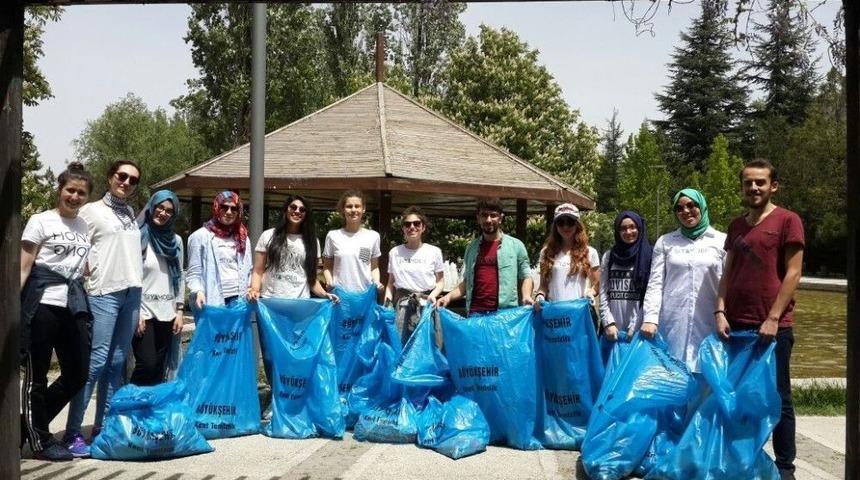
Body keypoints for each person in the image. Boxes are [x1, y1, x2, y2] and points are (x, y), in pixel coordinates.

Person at [715, 159, 804, 480]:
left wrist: (773, 317)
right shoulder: (737, 225)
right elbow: (727, 272)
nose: (754, 187)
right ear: (742, 187)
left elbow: (794, 272)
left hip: (773, 328)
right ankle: (743, 459)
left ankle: (784, 468)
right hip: (736, 327)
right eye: (748, 182)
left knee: (778, 398)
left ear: (773, 186)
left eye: (760, 182)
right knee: (739, 397)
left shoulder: (787, 221)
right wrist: (720, 310)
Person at [64, 160, 144, 457]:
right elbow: (76, 244)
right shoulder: (92, 210)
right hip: (103, 293)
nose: (126, 182)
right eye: (121, 176)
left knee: (117, 364)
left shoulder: (130, 215)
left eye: (132, 180)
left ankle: (103, 428)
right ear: (110, 177)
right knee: (95, 364)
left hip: (131, 293)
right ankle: (72, 433)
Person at [19, 163, 94, 461]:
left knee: (78, 373)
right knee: (36, 375)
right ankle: (40, 441)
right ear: (60, 190)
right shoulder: (40, 221)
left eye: (81, 193)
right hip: (42, 302)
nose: (75, 197)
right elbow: (24, 267)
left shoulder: (84, 226)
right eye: (70, 190)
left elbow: (81, 266)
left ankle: (28, 428)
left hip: (72, 304)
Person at [642, 188, 726, 373]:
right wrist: (650, 319)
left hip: (710, 322)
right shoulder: (665, 242)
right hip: (673, 323)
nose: (686, 211)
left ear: (702, 206)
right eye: (679, 208)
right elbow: (655, 284)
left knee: (707, 382)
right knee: (673, 378)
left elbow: (729, 285)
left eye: (691, 205)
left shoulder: (722, 241)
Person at [436, 198, 533, 314]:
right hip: (475, 315)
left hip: (504, 316)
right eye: (484, 215)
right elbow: (467, 283)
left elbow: (526, 276)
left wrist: (526, 296)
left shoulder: (516, 246)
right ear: (478, 218)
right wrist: (448, 297)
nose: (488, 220)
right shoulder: (471, 248)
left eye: (493, 215)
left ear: (501, 218)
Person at [130, 190, 184, 387]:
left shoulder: (175, 241)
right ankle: (128, 406)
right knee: (147, 364)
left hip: (168, 312)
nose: (163, 213)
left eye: (169, 210)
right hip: (144, 310)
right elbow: (131, 276)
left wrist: (179, 310)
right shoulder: (138, 236)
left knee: (160, 368)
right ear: (152, 207)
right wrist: (135, 312)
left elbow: (179, 276)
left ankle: (147, 412)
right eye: (160, 207)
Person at [247, 195, 337, 302]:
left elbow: (312, 279)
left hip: (300, 303)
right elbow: (258, 271)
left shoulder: (313, 241)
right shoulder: (268, 235)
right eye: (293, 207)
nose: (297, 211)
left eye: (302, 209)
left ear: (306, 215)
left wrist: (325, 295)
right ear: (286, 210)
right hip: (270, 302)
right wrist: (254, 290)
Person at [383, 206, 445, 345]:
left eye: (416, 223)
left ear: (423, 227)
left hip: (427, 306)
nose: (412, 227)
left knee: (427, 347)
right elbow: (390, 283)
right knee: (400, 347)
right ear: (403, 229)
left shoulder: (434, 251)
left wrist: (433, 295)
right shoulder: (395, 252)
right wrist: (387, 305)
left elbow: (440, 282)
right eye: (407, 224)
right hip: (402, 307)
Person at [186, 191, 253, 308]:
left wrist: (249, 288)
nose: (229, 212)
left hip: (239, 299)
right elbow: (194, 272)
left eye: (234, 209)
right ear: (216, 207)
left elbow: (249, 270)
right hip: (211, 298)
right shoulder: (199, 236)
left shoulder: (243, 237)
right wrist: (198, 291)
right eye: (224, 207)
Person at [533, 203, 600, 311]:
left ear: (577, 224)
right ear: (555, 226)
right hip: (554, 314)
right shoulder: (546, 252)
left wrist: (590, 293)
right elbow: (543, 286)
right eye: (561, 222)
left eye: (570, 222)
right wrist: (539, 296)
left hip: (580, 313)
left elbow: (597, 285)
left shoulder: (590, 252)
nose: (565, 226)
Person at [599, 211, 652, 341]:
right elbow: (603, 291)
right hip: (612, 330)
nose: (628, 232)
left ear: (639, 228)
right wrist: (608, 322)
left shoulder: (650, 256)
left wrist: (636, 325)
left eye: (632, 227)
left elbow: (652, 293)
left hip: (639, 330)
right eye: (623, 228)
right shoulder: (609, 256)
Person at [322, 190, 382, 293]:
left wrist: (377, 282)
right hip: (339, 296)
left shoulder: (373, 236)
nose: (353, 210)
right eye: (349, 206)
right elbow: (327, 267)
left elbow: (374, 267)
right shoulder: (332, 236)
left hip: (365, 296)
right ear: (343, 209)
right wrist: (329, 281)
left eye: (357, 206)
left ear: (363, 209)